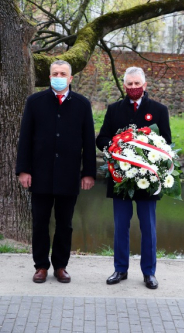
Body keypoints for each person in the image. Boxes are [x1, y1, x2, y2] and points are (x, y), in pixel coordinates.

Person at [16, 60, 96, 284]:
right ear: (49, 77)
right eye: (55, 73)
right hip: (39, 174)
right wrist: (23, 170)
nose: (58, 76)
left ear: (70, 78)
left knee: (65, 224)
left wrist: (88, 172)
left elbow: (89, 141)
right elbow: (25, 139)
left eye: (63, 73)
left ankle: (60, 266)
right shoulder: (35, 102)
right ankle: (41, 265)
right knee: (40, 222)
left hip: (69, 175)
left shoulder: (82, 104)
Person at [96, 66, 171, 289]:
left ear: (145, 85)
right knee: (120, 226)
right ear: (124, 86)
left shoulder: (158, 110)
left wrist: (149, 154)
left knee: (148, 227)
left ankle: (149, 273)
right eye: (129, 84)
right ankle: (120, 270)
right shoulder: (114, 109)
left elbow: (166, 142)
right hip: (120, 179)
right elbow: (101, 139)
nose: (133, 88)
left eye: (137, 84)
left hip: (148, 181)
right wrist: (115, 147)